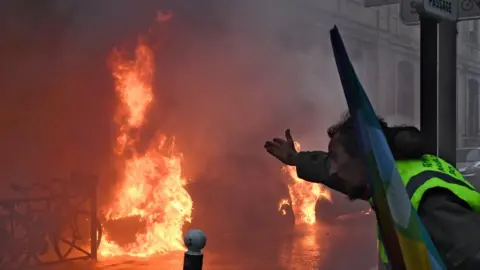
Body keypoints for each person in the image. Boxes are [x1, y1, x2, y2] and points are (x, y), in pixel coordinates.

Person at [264, 114, 480, 270]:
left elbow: (472, 256)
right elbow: (329, 169)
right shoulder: (387, 173)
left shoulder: (425, 198)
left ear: (365, 157)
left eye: (336, 158)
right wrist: (295, 159)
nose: (334, 169)